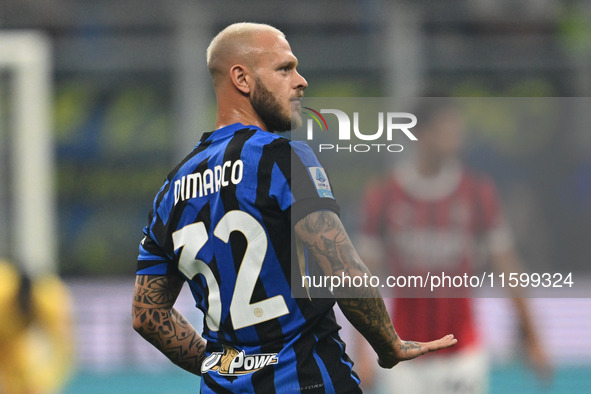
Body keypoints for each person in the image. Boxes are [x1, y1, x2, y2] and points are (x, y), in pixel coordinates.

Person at [132, 22, 456, 393]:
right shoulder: (285, 160)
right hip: (309, 382)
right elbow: (343, 271)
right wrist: (389, 345)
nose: (301, 81)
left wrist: (227, 366)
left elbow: (148, 316)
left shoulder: (170, 191)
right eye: (284, 69)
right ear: (242, 78)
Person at [355, 97, 551, 393]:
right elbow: (362, 281)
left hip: (464, 354)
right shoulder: (383, 196)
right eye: (445, 126)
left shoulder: (477, 194)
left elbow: (507, 267)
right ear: (420, 134)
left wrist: (533, 337)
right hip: (404, 355)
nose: (455, 134)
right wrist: (361, 352)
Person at [0, 259, 73, 394]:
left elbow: (64, 351)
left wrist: (45, 383)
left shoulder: (50, 299)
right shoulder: (2, 291)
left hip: (14, 344)